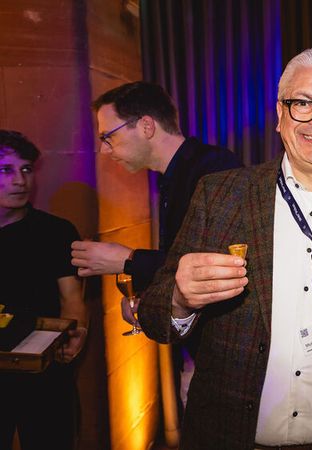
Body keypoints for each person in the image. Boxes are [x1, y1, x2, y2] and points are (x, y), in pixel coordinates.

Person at [138, 48, 312, 450]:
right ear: (280, 115)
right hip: (232, 438)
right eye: (303, 103)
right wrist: (179, 298)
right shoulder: (221, 196)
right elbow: (155, 316)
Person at [69, 81, 242, 409]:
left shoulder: (215, 168)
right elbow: (180, 261)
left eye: (109, 136)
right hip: (197, 353)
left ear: (146, 125)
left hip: (222, 362)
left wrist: (128, 260)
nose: (105, 149)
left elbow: (218, 264)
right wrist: (150, 297)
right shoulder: (173, 177)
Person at [0, 130, 88, 449]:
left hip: (44, 374)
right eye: (5, 170)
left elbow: (72, 299)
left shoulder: (55, 231)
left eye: (25, 169)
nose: (20, 180)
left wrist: (76, 331)